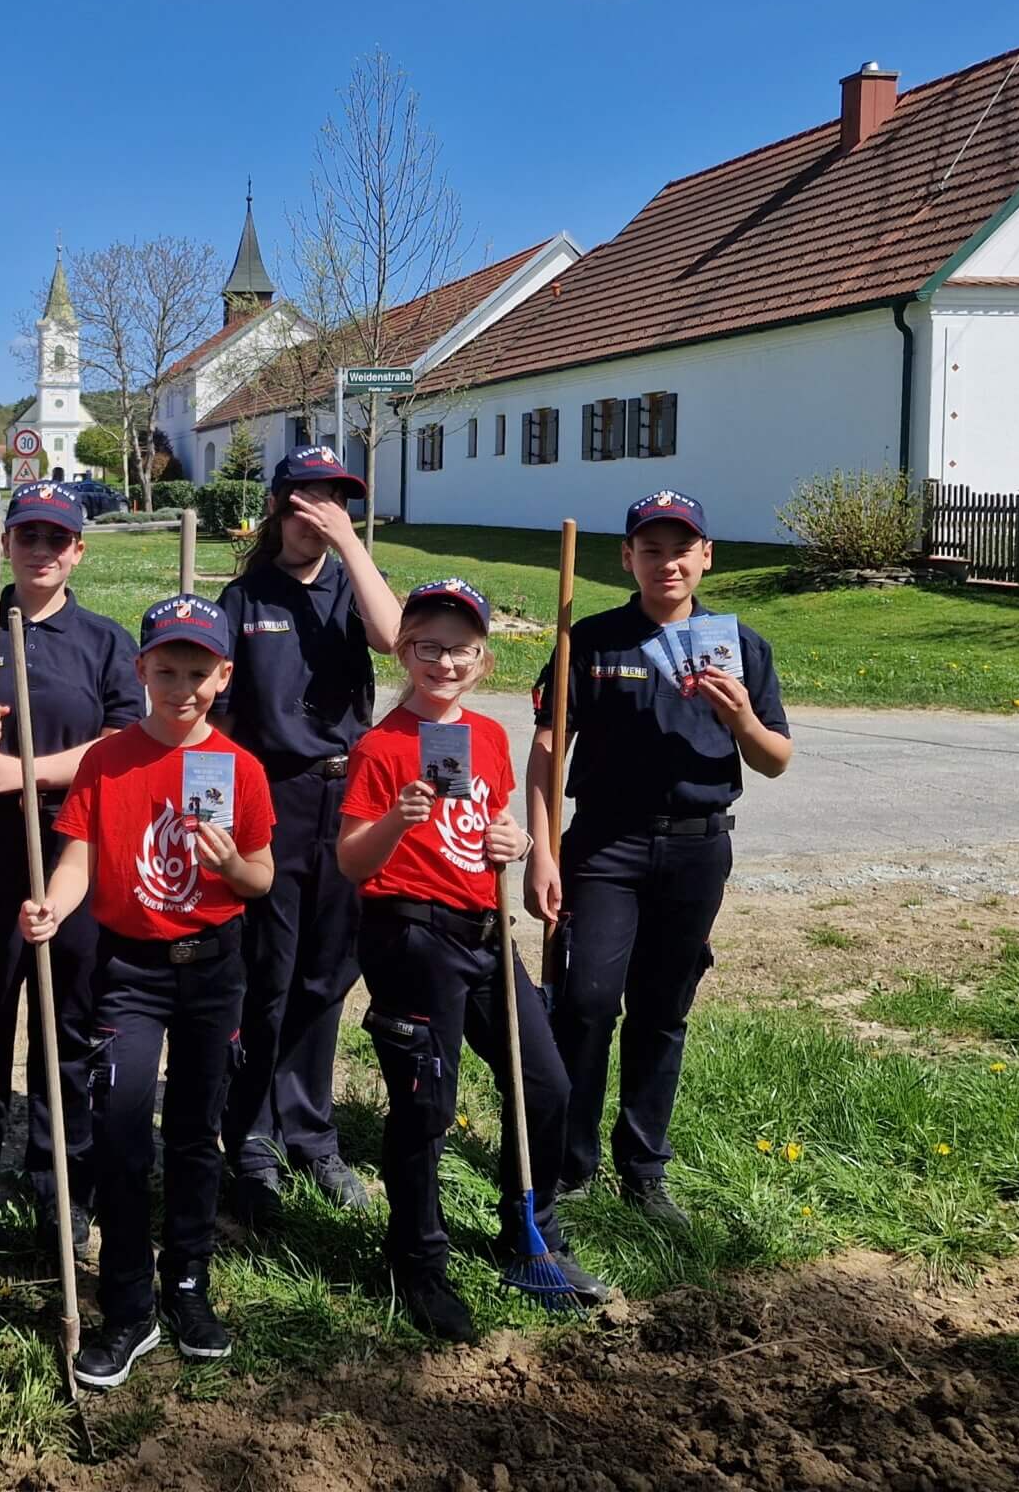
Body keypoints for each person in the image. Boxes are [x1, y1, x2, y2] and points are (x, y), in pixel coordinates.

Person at [337, 579, 610, 1341]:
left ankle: (529, 1234)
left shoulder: (484, 738)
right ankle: (416, 1258)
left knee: (545, 1084)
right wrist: (398, 817)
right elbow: (353, 863)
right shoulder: (380, 746)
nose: (444, 661)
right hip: (410, 937)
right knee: (426, 1106)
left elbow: (491, 819)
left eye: (460, 648)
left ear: (483, 660)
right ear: (403, 650)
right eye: (427, 646)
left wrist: (516, 841)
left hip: (484, 935)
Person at [22, 595, 274, 1388]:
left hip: (212, 965)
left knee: (197, 1131)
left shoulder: (240, 769)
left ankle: (189, 1284)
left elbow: (261, 877)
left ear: (224, 676)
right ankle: (128, 1304)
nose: (182, 687)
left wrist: (229, 865)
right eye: (166, 670)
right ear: (140, 673)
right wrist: (52, 906)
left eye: (199, 672)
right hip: (127, 971)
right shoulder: (107, 760)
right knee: (124, 1128)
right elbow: (77, 857)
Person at [527, 492, 794, 1226]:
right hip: (605, 845)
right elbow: (550, 750)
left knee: (662, 1010)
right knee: (583, 1004)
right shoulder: (590, 640)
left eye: (682, 548)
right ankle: (572, 1166)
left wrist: (739, 716)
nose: (666, 562)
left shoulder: (738, 644)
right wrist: (540, 854)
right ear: (628, 558)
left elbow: (776, 760)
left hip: (697, 848)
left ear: (706, 555)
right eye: (651, 548)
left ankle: (643, 1170)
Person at [0, 480, 140, 1254]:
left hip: (72, 841)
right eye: (28, 536)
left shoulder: (104, 641)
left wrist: (27, 769)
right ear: (7, 541)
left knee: (66, 1020)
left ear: (78, 549)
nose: (41, 551)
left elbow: (120, 745)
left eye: (57, 539)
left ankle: (59, 1184)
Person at [215, 446, 403, 1225]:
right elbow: (220, 709)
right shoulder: (244, 594)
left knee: (329, 973)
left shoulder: (349, 587)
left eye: (334, 499)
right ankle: (252, 1135)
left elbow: (393, 639)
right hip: (272, 796)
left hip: (346, 793)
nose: (319, 512)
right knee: (270, 972)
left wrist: (353, 544)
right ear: (279, 506)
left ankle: (311, 1132)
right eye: (306, 498)